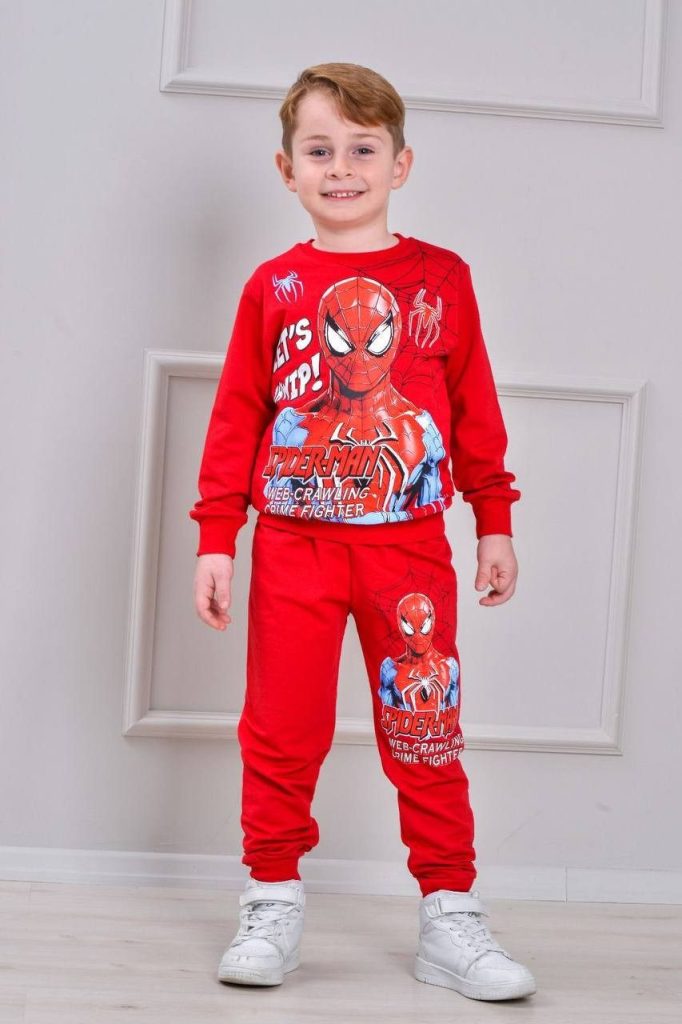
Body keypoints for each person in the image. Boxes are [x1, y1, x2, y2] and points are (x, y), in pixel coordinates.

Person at [188, 62, 536, 1002]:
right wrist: (218, 536)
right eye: (320, 150)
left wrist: (493, 520)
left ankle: (451, 913)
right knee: (281, 729)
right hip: (293, 551)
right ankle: (272, 897)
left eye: (362, 149)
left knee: (425, 727)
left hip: (409, 550)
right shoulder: (274, 287)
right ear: (287, 169)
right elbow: (237, 415)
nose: (341, 168)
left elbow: (474, 409)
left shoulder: (440, 280)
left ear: (400, 164)